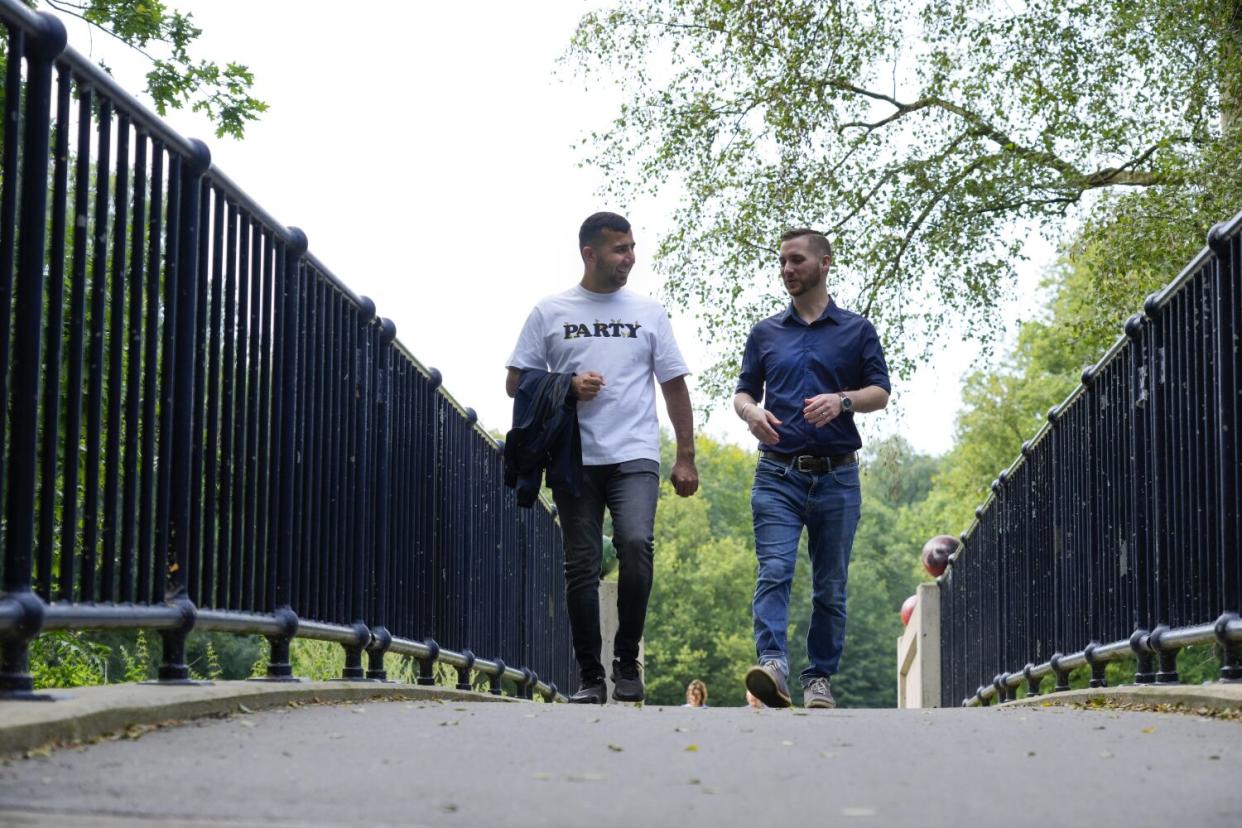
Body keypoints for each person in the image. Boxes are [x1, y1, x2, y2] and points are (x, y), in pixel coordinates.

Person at [505, 212, 699, 704]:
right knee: (582, 566)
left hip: (635, 452)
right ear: (589, 254)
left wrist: (685, 456)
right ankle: (591, 676)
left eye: (632, 247)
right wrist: (565, 386)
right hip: (574, 456)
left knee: (635, 545)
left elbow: (673, 384)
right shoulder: (550, 312)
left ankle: (626, 658)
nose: (629, 258)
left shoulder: (649, 311)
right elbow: (515, 382)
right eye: (619, 249)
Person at [733, 228, 890, 710]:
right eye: (782, 262)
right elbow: (742, 393)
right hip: (777, 474)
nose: (787, 270)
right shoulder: (765, 333)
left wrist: (843, 401)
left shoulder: (857, 330)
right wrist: (750, 413)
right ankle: (774, 666)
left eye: (796, 260)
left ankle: (818, 677)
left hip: (837, 476)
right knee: (774, 569)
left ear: (825, 263)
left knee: (830, 586)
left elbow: (879, 392)